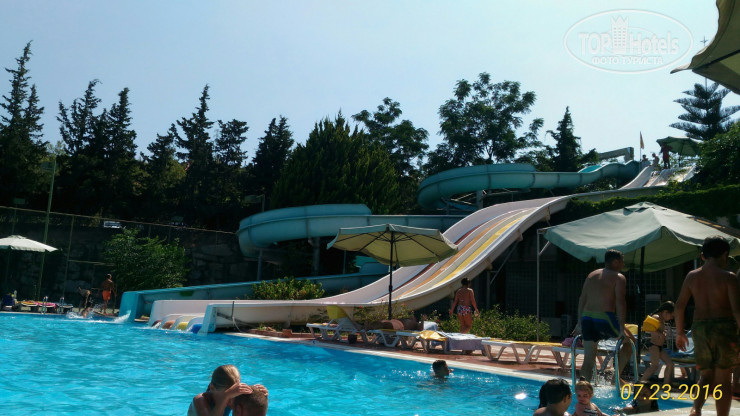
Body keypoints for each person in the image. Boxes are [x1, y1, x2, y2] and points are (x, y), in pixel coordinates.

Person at [675, 236, 740, 416]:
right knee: (723, 379)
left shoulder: (692, 276)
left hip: (700, 328)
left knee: (705, 375)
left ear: (703, 256)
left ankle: (696, 409)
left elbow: (679, 306)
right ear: (725, 255)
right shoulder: (729, 277)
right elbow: (737, 311)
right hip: (724, 328)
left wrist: (680, 332)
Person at [574, 249, 634, 382]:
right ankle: (615, 378)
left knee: (588, 358)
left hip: (586, 318)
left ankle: (582, 388)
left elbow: (582, 298)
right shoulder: (618, 277)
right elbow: (620, 302)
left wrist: (579, 322)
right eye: (622, 261)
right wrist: (621, 327)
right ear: (615, 262)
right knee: (631, 343)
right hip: (604, 318)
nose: (623, 264)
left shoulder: (592, 275)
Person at [188, 365, 268, 416]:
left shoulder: (232, 396)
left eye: (234, 395)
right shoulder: (200, 400)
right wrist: (226, 397)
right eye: (226, 395)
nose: (231, 401)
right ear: (212, 388)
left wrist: (261, 394)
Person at [638, 301, 675, 385]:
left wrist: (663, 333)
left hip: (659, 347)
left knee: (670, 364)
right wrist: (660, 334)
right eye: (671, 316)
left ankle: (666, 385)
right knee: (655, 365)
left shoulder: (662, 319)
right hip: (653, 345)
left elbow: (657, 330)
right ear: (665, 312)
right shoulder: (656, 317)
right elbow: (647, 329)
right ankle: (640, 383)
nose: (671, 318)